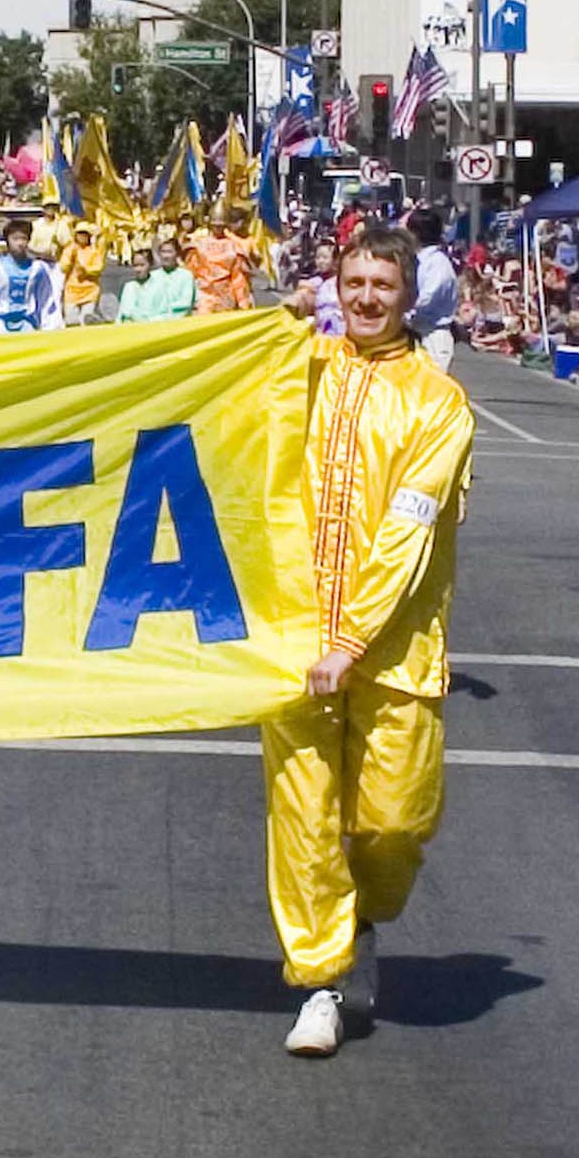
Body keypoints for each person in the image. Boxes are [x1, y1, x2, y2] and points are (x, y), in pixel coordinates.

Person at [263, 224, 474, 1057]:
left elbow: (409, 530)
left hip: (395, 649)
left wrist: (351, 640)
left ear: (407, 294)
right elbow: (217, 393)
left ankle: (364, 922)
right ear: (334, 288)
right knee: (306, 819)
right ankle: (320, 980)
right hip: (292, 636)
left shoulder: (436, 402)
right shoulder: (303, 368)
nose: (366, 299)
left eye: (382, 286)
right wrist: (270, 323)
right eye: (352, 284)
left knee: (391, 827)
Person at [0, 219, 64, 333]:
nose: (20, 243)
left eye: (23, 238)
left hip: (26, 325)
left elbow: (46, 298)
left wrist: (49, 326)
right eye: (15, 239)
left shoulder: (38, 269)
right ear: (8, 240)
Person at [404, 207, 458, 372]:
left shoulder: (437, 263)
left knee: (432, 386)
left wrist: (403, 312)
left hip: (433, 335)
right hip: (414, 332)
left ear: (416, 233)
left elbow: (427, 297)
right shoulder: (415, 261)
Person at [191, 211, 257, 313]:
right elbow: (192, 271)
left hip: (225, 294)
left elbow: (238, 277)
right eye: (215, 226)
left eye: (220, 226)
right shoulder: (199, 244)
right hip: (203, 293)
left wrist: (243, 301)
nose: (218, 229)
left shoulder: (233, 246)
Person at [58, 224, 106, 326]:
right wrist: (71, 259)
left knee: (87, 320)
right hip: (72, 291)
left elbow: (98, 268)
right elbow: (63, 267)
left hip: (90, 291)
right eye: (80, 233)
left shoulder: (94, 251)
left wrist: (86, 270)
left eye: (85, 234)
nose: (82, 236)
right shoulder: (69, 250)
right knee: (71, 321)